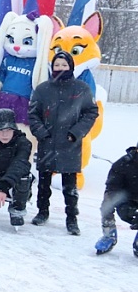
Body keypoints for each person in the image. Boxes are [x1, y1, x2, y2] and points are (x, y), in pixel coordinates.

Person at [28, 51, 99, 235]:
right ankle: (42, 211)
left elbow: (91, 112)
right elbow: (33, 113)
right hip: (47, 142)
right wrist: (41, 133)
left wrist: (75, 133)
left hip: (70, 144)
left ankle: (71, 218)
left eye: (64, 65)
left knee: (70, 187)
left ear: (71, 67)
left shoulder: (81, 89)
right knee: (43, 183)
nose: (60, 68)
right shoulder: (43, 89)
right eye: (57, 65)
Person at [94, 142, 138, 257]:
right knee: (107, 204)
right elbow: (112, 188)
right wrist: (124, 206)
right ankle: (109, 235)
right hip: (126, 197)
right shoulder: (123, 164)